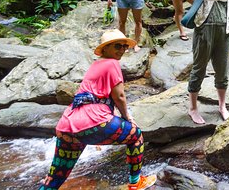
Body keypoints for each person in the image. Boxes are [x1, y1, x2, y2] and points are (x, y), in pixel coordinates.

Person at [38, 29, 156, 190]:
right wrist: (127, 117)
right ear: (105, 48)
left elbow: (99, 98)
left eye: (124, 46)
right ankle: (135, 183)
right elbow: (119, 96)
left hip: (67, 126)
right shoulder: (112, 64)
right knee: (135, 137)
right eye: (117, 46)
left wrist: (98, 137)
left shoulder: (96, 65)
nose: (122, 49)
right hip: (94, 122)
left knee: (57, 175)